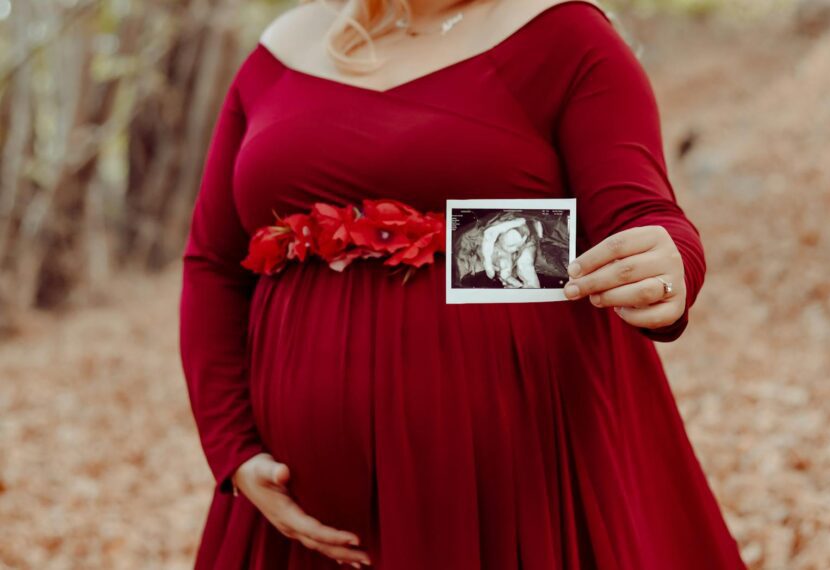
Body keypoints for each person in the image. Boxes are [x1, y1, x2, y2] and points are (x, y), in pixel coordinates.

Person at [178, 0, 748, 568]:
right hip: (302, 517)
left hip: (513, 494)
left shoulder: (564, 34)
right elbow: (213, 262)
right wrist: (233, 448)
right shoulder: (283, 49)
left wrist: (669, 263)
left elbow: (641, 214)